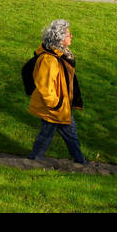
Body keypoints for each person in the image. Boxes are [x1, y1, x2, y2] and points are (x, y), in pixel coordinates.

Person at [28, 19, 88, 165]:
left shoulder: (62, 54)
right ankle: (33, 160)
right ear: (59, 38)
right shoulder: (50, 60)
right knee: (49, 135)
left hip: (61, 106)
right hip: (54, 107)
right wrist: (56, 104)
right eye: (68, 34)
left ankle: (80, 160)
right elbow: (45, 86)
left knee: (66, 134)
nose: (71, 36)